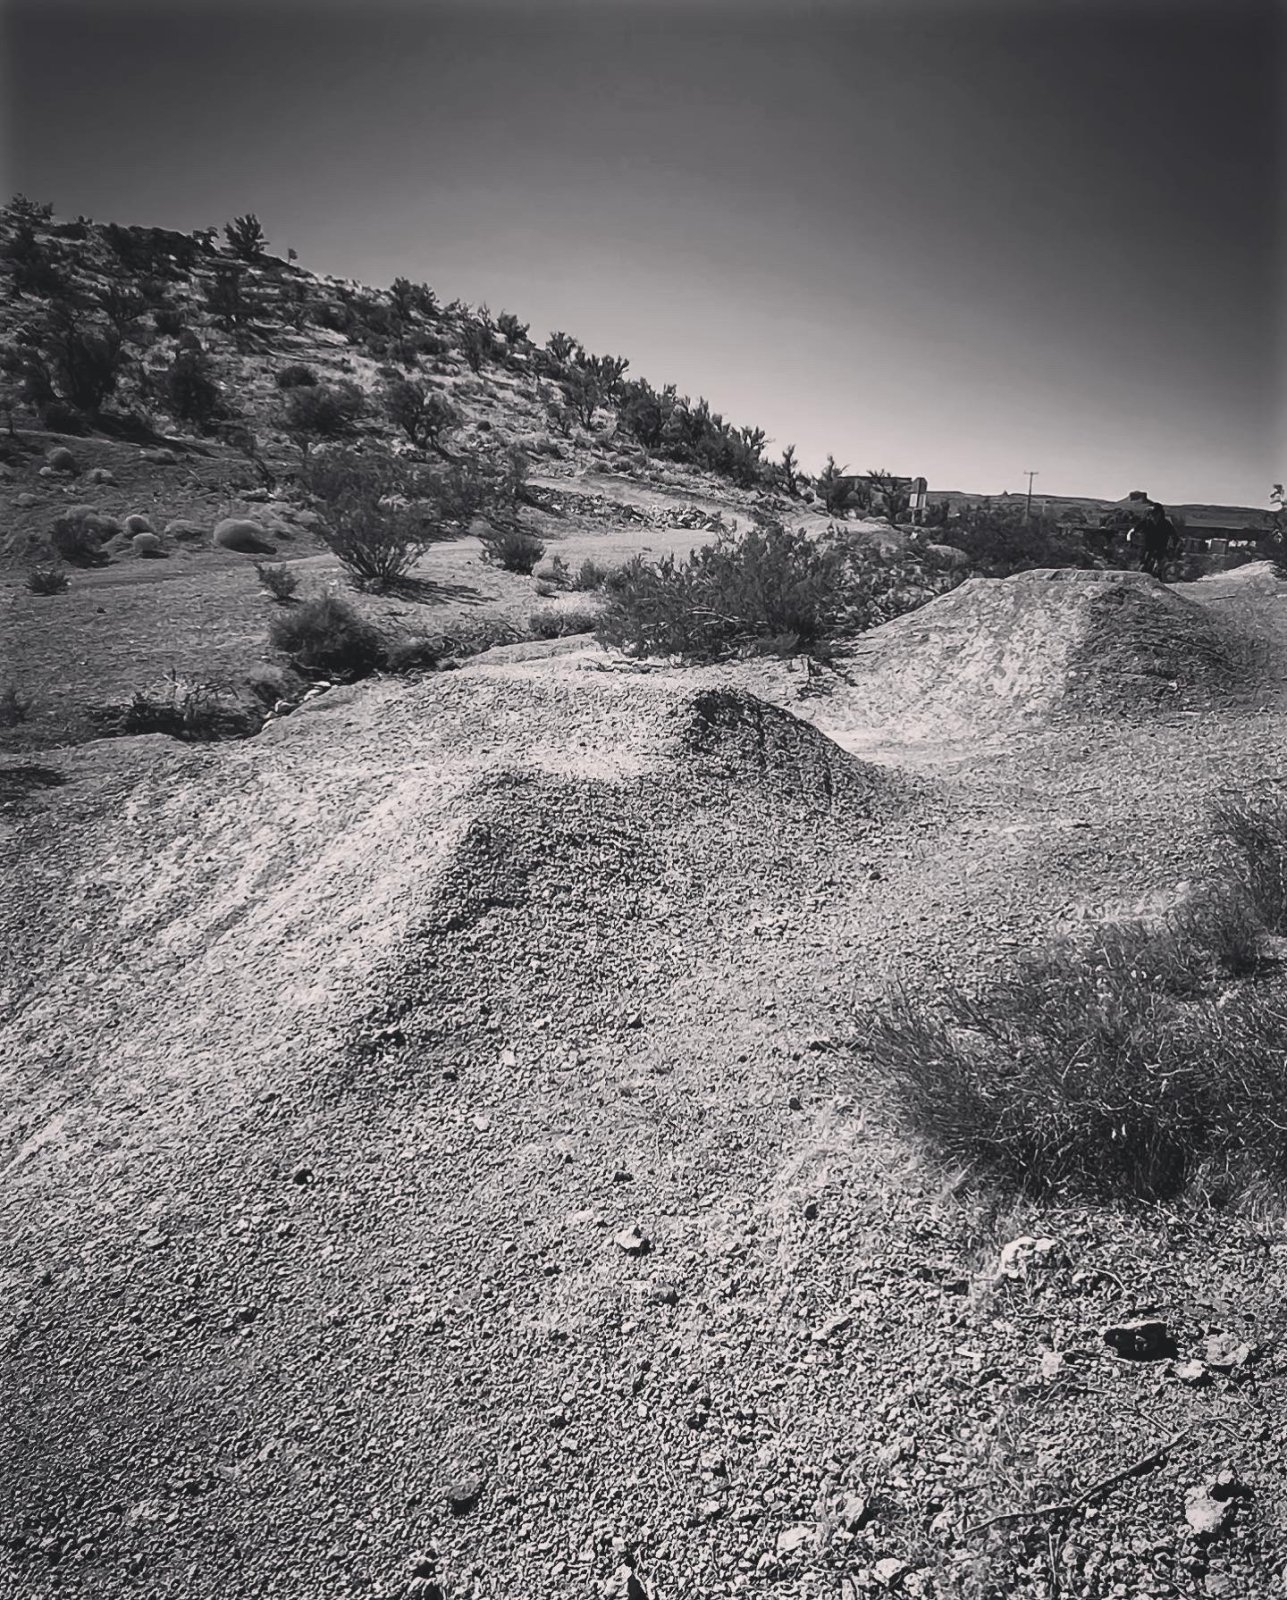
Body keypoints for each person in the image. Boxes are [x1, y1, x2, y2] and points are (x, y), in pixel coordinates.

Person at [1132, 500, 1181, 579]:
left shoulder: (1166, 524)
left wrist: (1174, 545)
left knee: (1159, 566)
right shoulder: (1146, 523)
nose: (1154, 516)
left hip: (1161, 547)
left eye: (1156, 513)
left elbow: (1174, 535)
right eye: (1152, 513)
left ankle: (1158, 576)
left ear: (1160, 514)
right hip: (1148, 547)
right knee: (1144, 564)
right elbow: (1134, 530)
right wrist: (1132, 537)